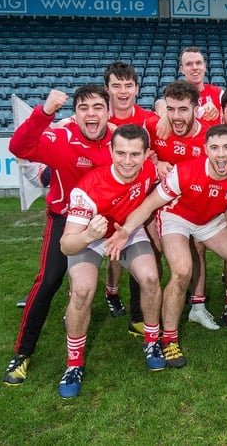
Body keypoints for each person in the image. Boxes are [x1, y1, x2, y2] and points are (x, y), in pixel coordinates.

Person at [107, 124, 227, 369]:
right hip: (175, 218)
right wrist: (126, 230)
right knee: (181, 271)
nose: (220, 154)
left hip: (209, 221)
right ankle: (169, 338)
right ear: (205, 150)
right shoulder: (185, 171)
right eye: (214, 148)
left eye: (226, 147)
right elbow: (150, 204)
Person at [4, 85, 114, 387]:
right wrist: (45, 112)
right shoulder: (60, 138)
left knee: (145, 269)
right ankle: (23, 353)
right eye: (83, 108)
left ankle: (142, 326)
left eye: (97, 107)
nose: (91, 114)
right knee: (49, 281)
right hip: (65, 219)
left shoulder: (118, 142)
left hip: (105, 222)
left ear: (107, 111)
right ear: (75, 113)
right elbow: (19, 148)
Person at [58, 124, 164, 398]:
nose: (128, 161)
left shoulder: (149, 170)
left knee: (151, 278)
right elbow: (66, 245)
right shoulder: (88, 189)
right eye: (121, 153)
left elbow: (148, 203)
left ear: (145, 155)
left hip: (127, 230)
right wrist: (89, 235)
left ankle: (152, 341)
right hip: (89, 237)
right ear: (111, 151)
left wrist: (127, 230)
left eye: (134, 154)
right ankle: (74, 364)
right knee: (81, 291)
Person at [145, 81, 221, 330]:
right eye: (171, 109)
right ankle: (151, 309)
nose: (176, 116)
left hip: (196, 206)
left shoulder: (209, 135)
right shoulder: (154, 126)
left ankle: (197, 307)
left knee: (197, 251)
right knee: (155, 255)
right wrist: (155, 165)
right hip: (162, 207)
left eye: (183, 110)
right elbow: (131, 149)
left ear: (195, 108)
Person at [104, 60, 156, 333]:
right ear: (107, 88)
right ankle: (109, 292)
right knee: (98, 256)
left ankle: (138, 316)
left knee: (139, 254)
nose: (122, 91)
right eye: (116, 86)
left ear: (136, 89)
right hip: (101, 201)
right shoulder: (97, 119)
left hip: (136, 202)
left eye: (128, 86)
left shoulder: (148, 119)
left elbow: (164, 145)